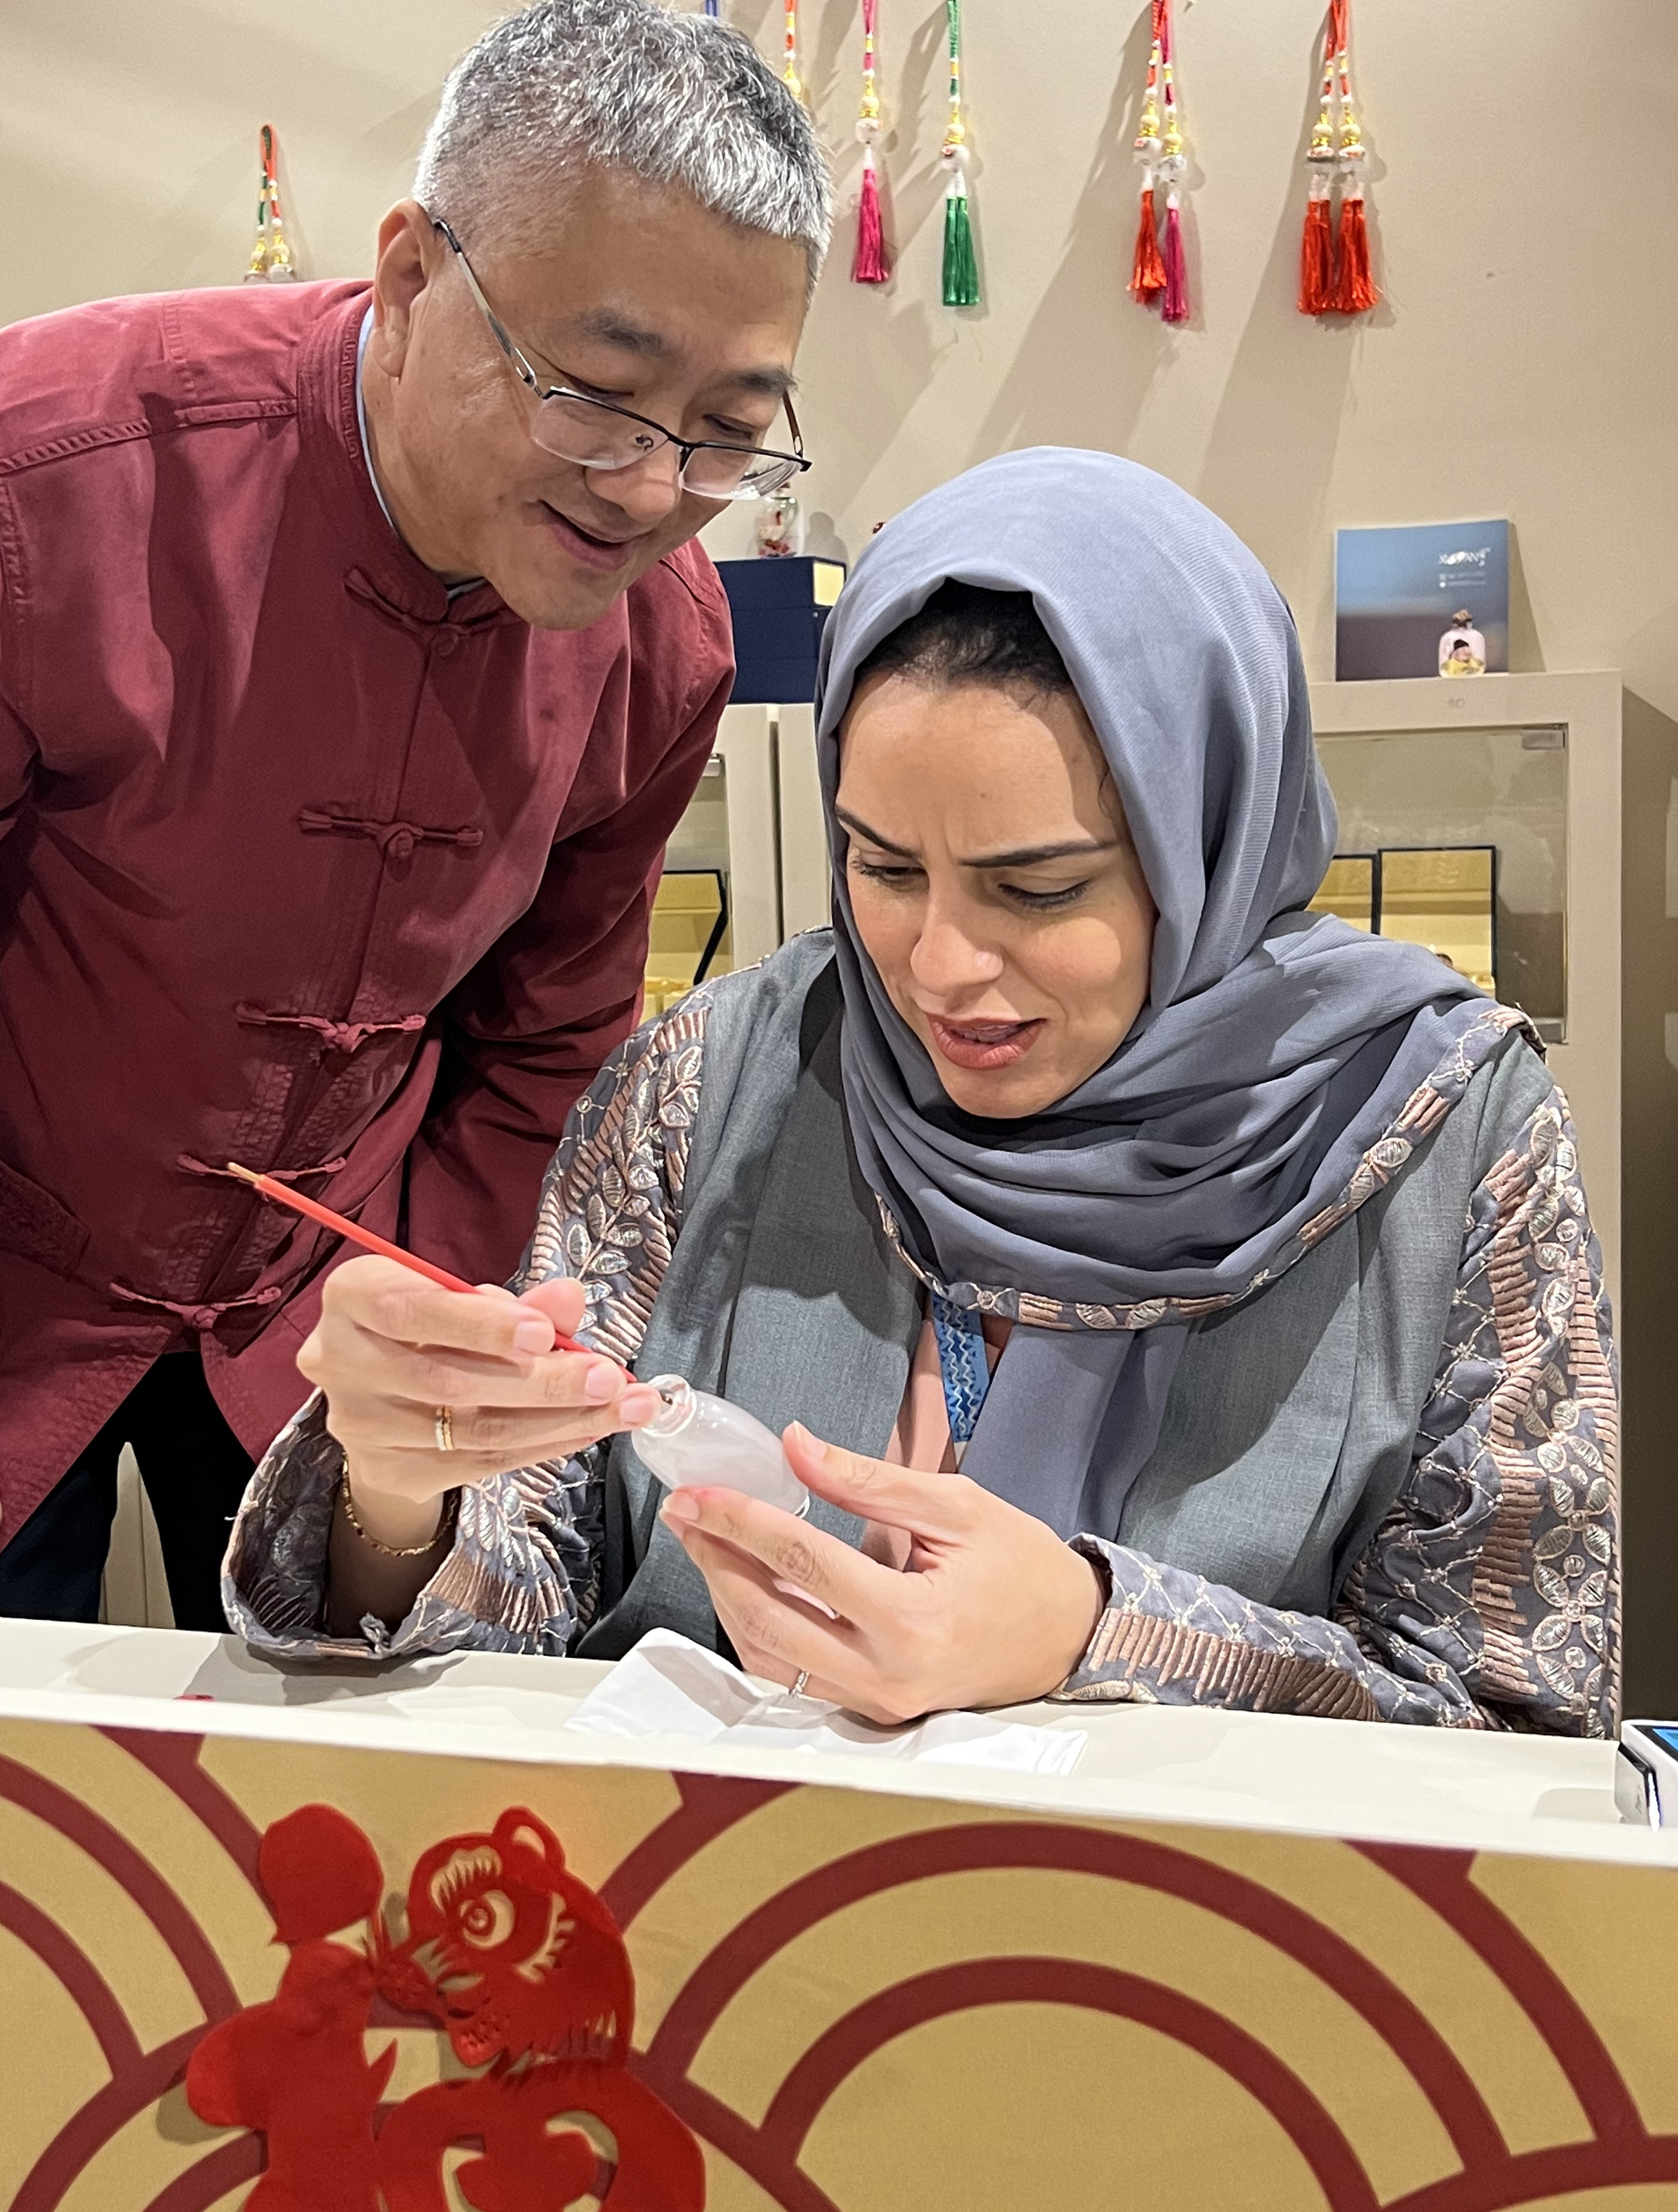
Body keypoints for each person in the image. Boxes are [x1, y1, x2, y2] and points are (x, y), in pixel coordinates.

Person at [227, 450, 1618, 1736]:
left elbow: (1518, 1726)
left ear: (1210, 843)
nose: (941, 969)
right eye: (883, 870)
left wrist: (1099, 1633)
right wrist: (401, 1494)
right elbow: (534, 1581)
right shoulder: (715, 1078)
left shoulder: (1445, 1136)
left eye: (1040, 887)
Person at [0, 0, 828, 1625]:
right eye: (598, 394)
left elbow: (545, 1047)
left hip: (326, 1304)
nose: (654, 490)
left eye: (729, 434)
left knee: (335, 1717)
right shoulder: (12, 480)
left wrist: (424, 1333)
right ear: (411, 276)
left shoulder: (662, 647)